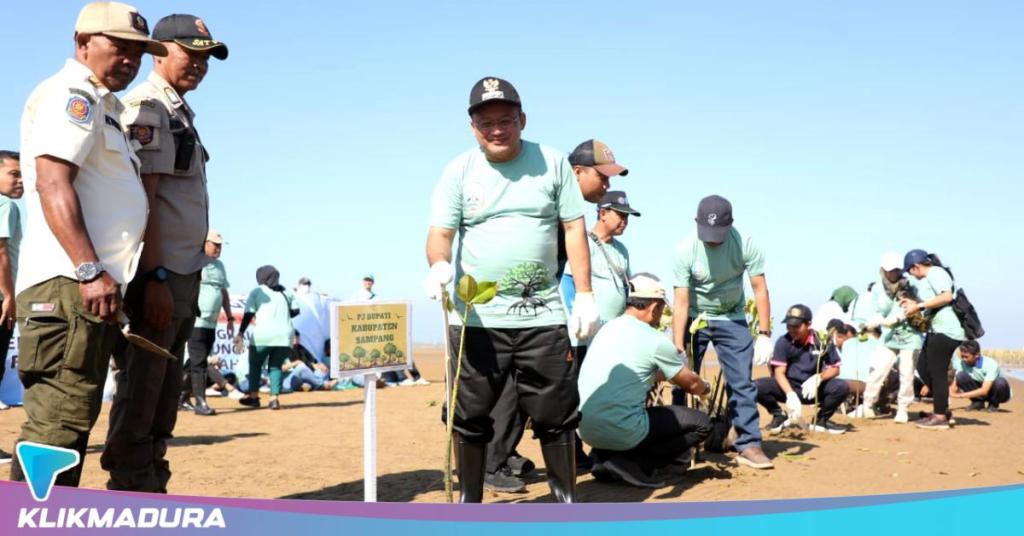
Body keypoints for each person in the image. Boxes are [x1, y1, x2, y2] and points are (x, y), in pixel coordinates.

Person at [8, 1, 165, 486]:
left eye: (138, 52)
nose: (130, 60)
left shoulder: (102, 105)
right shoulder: (70, 94)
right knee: (56, 428)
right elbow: (53, 183)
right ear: (82, 43)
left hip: (85, 290)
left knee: (67, 428)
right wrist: (88, 269)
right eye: (119, 47)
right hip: (69, 285)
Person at [423, 76, 598, 503]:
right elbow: (440, 233)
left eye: (505, 120)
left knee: (556, 414)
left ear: (522, 119)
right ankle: (469, 502)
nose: (497, 130)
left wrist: (587, 294)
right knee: (470, 415)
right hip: (476, 319)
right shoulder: (459, 170)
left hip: (544, 317)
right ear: (472, 128)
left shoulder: (552, 162)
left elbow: (574, 228)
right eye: (486, 123)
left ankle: (564, 501)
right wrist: (439, 264)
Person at [100, 13, 228, 492]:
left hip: (182, 272)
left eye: (206, 57)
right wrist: (152, 276)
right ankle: (133, 489)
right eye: (189, 53)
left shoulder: (176, 110)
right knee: (144, 387)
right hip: (161, 274)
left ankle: (152, 484)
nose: (198, 64)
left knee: (164, 390)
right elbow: (144, 201)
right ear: (158, 51)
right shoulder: (149, 107)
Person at [483, 140, 633, 490]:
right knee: (512, 386)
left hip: (535, 308)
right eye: (603, 177)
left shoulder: (565, 207)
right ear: (577, 172)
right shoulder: (548, 202)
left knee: (527, 385)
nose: (608, 185)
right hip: (514, 307)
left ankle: (502, 454)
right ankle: (492, 464)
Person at [579, 273, 711, 488]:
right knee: (701, 423)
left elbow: (638, 372)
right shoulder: (655, 340)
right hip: (623, 429)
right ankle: (632, 463)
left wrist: (668, 372)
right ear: (653, 308)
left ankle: (606, 457)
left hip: (587, 430)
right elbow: (692, 385)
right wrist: (706, 388)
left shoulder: (606, 329)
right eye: (662, 309)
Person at [671, 194, 774, 469]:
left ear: (731, 225)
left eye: (719, 234)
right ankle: (677, 446)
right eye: (707, 233)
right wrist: (678, 347)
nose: (713, 239)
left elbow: (760, 288)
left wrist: (764, 333)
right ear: (696, 222)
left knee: (742, 383)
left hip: (732, 317)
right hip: (696, 316)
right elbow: (680, 302)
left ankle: (749, 444)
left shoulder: (746, 245)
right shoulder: (684, 249)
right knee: (682, 381)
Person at [755, 305, 850, 435]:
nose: (792, 330)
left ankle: (821, 419)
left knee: (841, 387)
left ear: (808, 324)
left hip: (813, 389)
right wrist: (790, 394)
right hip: (789, 387)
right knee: (756, 386)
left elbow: (835, 368)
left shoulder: (821, 341)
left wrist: (819, 378)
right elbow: (779, 372)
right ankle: (779, 415)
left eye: (796, 326)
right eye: (789, 325)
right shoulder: (783, 342)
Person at [854, 252, 925, 423]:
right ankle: (868, 404)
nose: (894, 274)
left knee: (906, 372)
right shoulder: (878, 288)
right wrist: (873, 322)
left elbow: (918, 306)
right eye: (890, 270)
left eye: (896, 270)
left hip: (910, 334)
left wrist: (900, 316)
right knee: (878, 369)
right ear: (882, 270)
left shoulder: (910, 286)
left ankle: (903, 408)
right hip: (888, 335)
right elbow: (879, 311)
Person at [902, 249, 966, 430]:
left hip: (947, 331)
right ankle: (942, 410)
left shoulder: (936, 273)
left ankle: (940, 417)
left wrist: (919, 305)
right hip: (936, 331)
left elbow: (946, 296)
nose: (911, 275)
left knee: (937, 372)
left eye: (909, 271)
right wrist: (913, 305)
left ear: (915, 267)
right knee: (923, 367)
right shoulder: (931, 277)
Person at [181, 230, 234, 414]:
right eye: (215, 244)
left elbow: (224, 292)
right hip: (195, 321)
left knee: (195, 361)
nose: (218, 248)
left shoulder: (220, 266)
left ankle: (182, 396)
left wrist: (229, 317)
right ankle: (200, 403)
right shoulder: (195, 263)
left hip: (211, 323)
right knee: (199, 362)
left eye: (220, 245)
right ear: (204, 244)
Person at [234, 265, 299, 410]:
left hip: (263, 335)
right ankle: (274, 399)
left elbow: (249, 314)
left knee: (255, 364)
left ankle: (253, 397)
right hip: (285, 336)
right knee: (275, 366)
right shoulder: (286, 291)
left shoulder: (257, 292)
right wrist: (281, 314)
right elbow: (295, 311)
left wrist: (241, 332)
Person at [0, 151, 22, 460]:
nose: (20, 180)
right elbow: (1, 251)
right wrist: (8, 295)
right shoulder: (5, 205)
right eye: (13, 173)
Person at [951, 340, 1011, 412]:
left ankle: (993, 404)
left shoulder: (990, 364)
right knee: (960, 376)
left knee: (1000, 382)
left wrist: (960, 396)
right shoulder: (961, 363)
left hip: (998, 392)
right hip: (980, 390)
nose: (964, 359)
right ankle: (978, 402)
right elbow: (954, 384)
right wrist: (949, 396)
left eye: (966, 357)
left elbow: (984, 390)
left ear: (977, 355)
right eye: (962, 356)